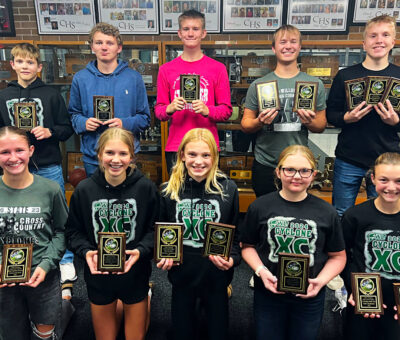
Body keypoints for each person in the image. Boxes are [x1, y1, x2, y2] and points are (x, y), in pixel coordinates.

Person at [240, 145, 346, 340]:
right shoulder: (259, 206)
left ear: (313, 175)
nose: (296, 176)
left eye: (304, 171)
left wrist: (320, 281)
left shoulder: (327, 212)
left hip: (310, 295)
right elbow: (247, 246)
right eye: (289, 169)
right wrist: (261, 272)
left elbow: (338, 257)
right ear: (278, 172)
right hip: (268, 293)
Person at [66, 127, 159, 340]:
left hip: (135, 272)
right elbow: (73, 232)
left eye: (123, 154)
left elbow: (155, 230)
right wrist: (87, 251)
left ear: (132, 156)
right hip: (99, 275)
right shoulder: (84, 190)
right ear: (99, 154)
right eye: (109, 153)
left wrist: (141, 250)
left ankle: (147, 298)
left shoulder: (146, 188)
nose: (116, 160)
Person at [0, 42, 77, 298]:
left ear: (39, 66)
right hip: (13, 166)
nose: (25, 66)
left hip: (47, 164)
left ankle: (65, 261)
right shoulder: (2, 96)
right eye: (20, 62)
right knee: (19, 217)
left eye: (30, 62)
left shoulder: (52, 95)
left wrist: (50, 131)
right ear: (12, 64)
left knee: (56, 217)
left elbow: (67, 129)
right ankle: (17, 260)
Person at [157, 128, 240, 340]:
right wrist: (162, 256)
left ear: (215, 157)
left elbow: (236, 234)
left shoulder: (228, 189)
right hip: (182, 277)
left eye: (206, 155)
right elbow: (160, 233)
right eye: (192, 154)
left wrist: (232, 259)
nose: (199, 162)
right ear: (182, 155)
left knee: (217, 333)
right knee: (183, 332)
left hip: (216, 278)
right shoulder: (168, 191)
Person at [326, 15, 400, 216]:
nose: (379, 40)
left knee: (382, 214)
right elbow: (330, 114)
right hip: (349, 157)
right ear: (364, 43)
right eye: (373, 36)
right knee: (341, 212)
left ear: (393, 42)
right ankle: (342, 250)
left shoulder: (399, 76)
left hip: (387, 159)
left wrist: (396, 121)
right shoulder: (345, 75)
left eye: (385, 35)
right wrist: (346, 119)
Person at [241, 25, 326, 198]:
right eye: (283, 42)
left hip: (298, 165)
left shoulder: (314, 84)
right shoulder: (259, 85)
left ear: (300, 47)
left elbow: (321, 125)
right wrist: (259, 121)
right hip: (266, 164)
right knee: (266, 216)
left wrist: (308, 121)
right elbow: (245, 124)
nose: (288, 46)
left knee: (295, 215)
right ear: (274, 48)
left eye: (293, 42)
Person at [0, 126, 68, 340]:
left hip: (43, 275)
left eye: (19, 150)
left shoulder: (50, 189)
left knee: (44, 334)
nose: (13, 158)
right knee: (11, 334)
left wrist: (47, 264)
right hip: (3, 280)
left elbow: (62, 231)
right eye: (4, 152)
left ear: (31, 150)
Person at [68, 22, 150, 177]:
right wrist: (83, 123)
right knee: (96, 201)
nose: (104, 47)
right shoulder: (80, 78)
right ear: (92, 46)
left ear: (119, 48)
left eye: (109, 43)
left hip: (125, 157)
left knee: (127, 200)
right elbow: (73, 115)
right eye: (99, 43)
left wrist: (123, 123)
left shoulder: (134, 78)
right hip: (93, 157)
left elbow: (145, 118)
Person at [155, 10, 232, 173]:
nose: (190, 33)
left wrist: (208, 110)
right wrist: (170, 108)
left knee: (208, 197)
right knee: (177, 196)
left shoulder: (218, 68)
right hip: (176, 146)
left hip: (207, 147)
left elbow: (226, 111)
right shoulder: (166, 69)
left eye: (195, 29)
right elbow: (159, 111)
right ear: (179, 33)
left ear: (203, 33)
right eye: (186, 29)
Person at [342, 152, 400, 340]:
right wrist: (352, 289)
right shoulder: (355, 216)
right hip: (364, 298)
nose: (391, 187)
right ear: (373, 179)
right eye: (384, 179)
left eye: (398, 181)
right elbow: (342, 257)